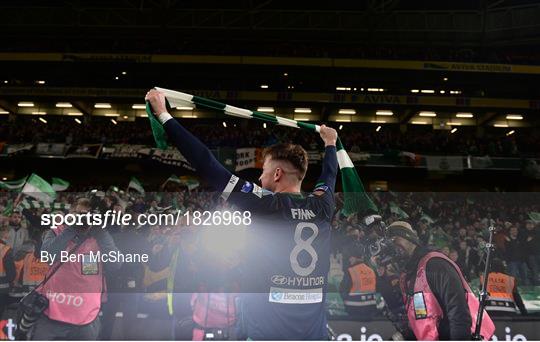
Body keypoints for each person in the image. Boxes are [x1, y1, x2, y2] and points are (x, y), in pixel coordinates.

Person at [146, 89, 338, 340]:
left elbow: (207, 162)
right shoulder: (323, 207)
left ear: (277, 174)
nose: (260, 177)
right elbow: (329, 177)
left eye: (265, 171)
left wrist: (163, 115)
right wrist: (331, 144)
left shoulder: (265, 204)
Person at [385, 221, 495, 340]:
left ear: (408, 237)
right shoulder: (409, 275)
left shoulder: (435, 264)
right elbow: (420, 321)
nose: (393, 245)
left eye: (395, 239)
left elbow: (459, 314)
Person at [29, 198, 122, 340]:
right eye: (80, 214)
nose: (84, 218)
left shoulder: (100, 235)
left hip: (86, 315)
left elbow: (115, 265)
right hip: (52, 312)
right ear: (70, 213)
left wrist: (101, 234)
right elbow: (47, 256)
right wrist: (71, 229)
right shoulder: (56, 231)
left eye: (88, 214)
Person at [339, 251, 378, 320]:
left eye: (350, 258)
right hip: (370, 309)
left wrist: (345, 300)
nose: (349, 260)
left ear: (354, 258)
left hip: (354, 309)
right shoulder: (371, 271)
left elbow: (343, 289)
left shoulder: (351, 271)